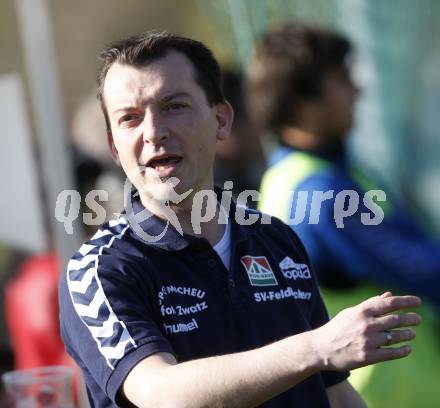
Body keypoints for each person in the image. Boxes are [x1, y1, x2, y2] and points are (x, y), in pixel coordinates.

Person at [58, 31, 421, 408]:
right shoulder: (102, 271)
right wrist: (316, 347)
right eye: (130, 118)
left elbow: (335, 394)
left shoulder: (275, 239)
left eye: (174, 106)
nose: (153, 132)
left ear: (222, 121)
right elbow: (162, 394)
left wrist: (321, 354)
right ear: (114, 147)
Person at [248, 23, 440, 405]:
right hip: (384, 395)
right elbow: (422, 270)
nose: (358, 90)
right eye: (341, 80)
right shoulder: (318, 193)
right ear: (302, 102)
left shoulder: (322, 171)